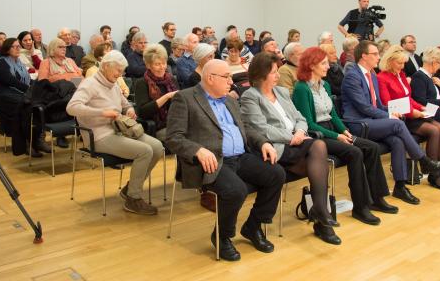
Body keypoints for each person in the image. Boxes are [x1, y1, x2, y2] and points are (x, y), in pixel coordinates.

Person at [166, 60, 286, 261]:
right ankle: (222, 237)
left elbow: (245, 128)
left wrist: (263, 142)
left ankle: (253, 226)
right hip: (212, 162)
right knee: (235, 190)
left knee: (277, 174)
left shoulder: (229, 100)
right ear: (210, 78)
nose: (232, 81)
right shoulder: (185, 98)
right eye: (227, 76)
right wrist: (198, 150)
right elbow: (173, 138)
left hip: (240, 157)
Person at [241, 53, 341, 245]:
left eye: (278, 71)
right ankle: (321, 216)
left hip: (297, 141)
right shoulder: (250, 96)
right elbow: (261, 128)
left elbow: (300, 118)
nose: (277, 75)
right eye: (273, 72)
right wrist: (292, 137)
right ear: (261, 74)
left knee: (318, 151)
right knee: (319, 159)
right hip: (276, 147)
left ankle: (320, 213)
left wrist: (300, 132)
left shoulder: (281, 92)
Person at [292, 47, 397, 225]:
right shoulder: (302, 88)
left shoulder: (324, 85)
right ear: (311, 65)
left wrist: (344, 131)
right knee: (355, 152)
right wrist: (337, 135)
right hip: (318, 136)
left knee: (371, 147)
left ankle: (377, 198)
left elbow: (333, 114)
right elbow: (309, 124)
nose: (328, 66)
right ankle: (360, 207)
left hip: (332, 129)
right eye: (323, 63)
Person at [340, 41, 440, 205]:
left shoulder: (371, 75)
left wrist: (391, 112)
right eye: (375, 54)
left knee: (397, 140)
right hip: (357, 124)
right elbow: (364, 107)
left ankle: (400, 186)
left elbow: (377, 105)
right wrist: (390, 115)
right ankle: (423, 161)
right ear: (364, 56)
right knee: (398, 124)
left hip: (372, 120)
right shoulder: (352, 76)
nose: (379, 57)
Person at [67, 51, 163, 215]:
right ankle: (133, 198)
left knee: (157, 147)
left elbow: (125, 104)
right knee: (145, 151)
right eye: (117, 70)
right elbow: (72, 108)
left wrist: (130, 109)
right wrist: (102, 112)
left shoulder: (113, 83)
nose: (120, 74)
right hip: (99, 135)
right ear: (105, 67)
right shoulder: (90, 84)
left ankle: (130, 188)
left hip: (120, 129)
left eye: (122, 71)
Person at [377, 45, 440, 190]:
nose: (402, 66)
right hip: (402, 119)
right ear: (389, 61)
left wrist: (421, 107)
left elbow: (409, 98)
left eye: (403, 63)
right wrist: (412, 112)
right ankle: (434, 173)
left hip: (412, 114)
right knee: (434, 130)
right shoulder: (382, 77)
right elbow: (388, 104)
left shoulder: (400, 75)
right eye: (399, 63)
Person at [0, 38, 39, 156]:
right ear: (7, 49)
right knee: (25, 105)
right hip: (5, 96)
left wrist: (34, 88)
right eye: (15, 46)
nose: (18, 49)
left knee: (38, 104)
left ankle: (37, 140)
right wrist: (28, 89)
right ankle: (26, 144)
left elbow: (27, 79)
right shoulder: (1, 62)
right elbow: (10, 81)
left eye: (19, 46)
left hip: (19, 93)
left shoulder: (19, 63)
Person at [133, 44, 179, 140]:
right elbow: (142, 112)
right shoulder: (142, 83)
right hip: (157, 127)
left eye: (164, 63)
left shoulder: (171, 80)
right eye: (157, 64)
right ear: (148, 65)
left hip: (175, 123)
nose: (162, 67)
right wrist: (166, 97)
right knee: (183, 139)